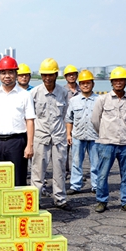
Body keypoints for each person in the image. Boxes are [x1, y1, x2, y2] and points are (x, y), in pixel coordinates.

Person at [0, 56, 35, 186]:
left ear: (16, 74)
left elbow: (29, 121)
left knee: (18, 178)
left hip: (17, 142)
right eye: (3, 73)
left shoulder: (25, 95)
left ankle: (17, 200)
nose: (7, 76)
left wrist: (29, 145)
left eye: (10, 72)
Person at [92, 66, 126, 215]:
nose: (118, 83)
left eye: (121, 80)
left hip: (125, 144)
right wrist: (104, 134)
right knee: (102, 174)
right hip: (107, 143)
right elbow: (95, 120)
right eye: (116, 80)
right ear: (111, 82)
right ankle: (101, 201)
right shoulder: (102, 99)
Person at [31, 58, 71, 211]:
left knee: (59, 170)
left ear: (56, 75)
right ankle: (35, 200)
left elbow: (65, 115)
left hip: (58, 136)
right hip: (41, 136)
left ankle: (60, 199)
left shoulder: (63, 92)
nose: (47, 78)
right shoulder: (34, 93)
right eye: (44, 75)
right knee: (38, 170)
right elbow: (31, 117)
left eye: (50, 75)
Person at [66, 69, 99, 195]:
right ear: (79, 85)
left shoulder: (99, 100)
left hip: (95, 136)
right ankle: (75, 185)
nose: (85, 85)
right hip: (78, 136)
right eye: (83, 83)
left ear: (93, 84)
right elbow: (69, 119)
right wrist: (68, 134)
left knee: (96, 163)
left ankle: (96, 186)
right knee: (76, 162)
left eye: (88, 83)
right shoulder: (74, 101)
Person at [62, 64, 79, 183]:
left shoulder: (81, 90)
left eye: (73, 75)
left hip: (79, 125)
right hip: (64, 125)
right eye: (69, 75)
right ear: (65, 77)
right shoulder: (62, 91)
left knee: (77, 151)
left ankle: (77, 173)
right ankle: (65, 171)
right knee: (64, 151)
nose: (71, 77)